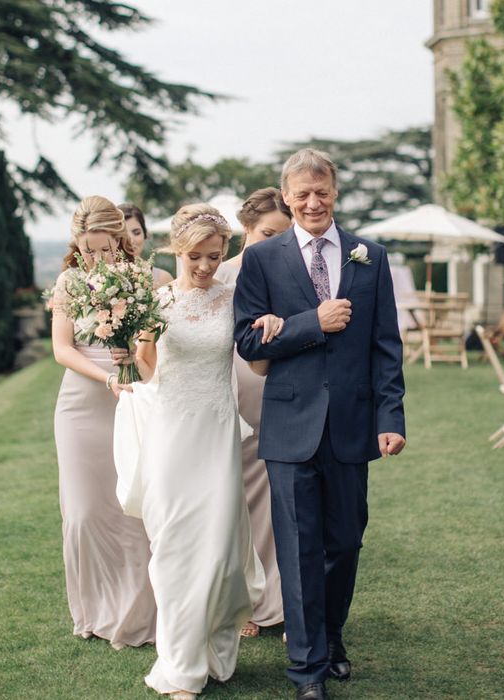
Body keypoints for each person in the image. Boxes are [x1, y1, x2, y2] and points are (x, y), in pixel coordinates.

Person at [233, 149, 407, 700]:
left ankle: (332, 640)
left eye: (322, 192)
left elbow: (386, 347)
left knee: (345, 542)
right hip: (288, 426)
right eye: (301, 194)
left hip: (354, 426)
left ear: (335, 192)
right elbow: (248, 341)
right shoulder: (262, 261)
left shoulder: (369, 258)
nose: (312, 202)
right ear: (285, 196)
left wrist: (391, 416)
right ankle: (307, 671)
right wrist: (314, 322)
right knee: (300, 549)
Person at [116, 203, 273, 699]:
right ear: (178, 252)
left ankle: (215, 645)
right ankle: (181, 666)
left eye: (214, 255)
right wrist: (124, 349)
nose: (205, 266)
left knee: (221, 550)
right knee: (176, 548)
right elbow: (147, 370)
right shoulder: (156, 303)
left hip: (217, 432)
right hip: (171, 434)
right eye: (195, 258)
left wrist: (271, 322)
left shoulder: (235, 297)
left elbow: (254, 345)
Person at [51, 195, 156, 650]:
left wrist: (132, 357)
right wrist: (106, 375)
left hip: (131, 399)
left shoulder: (142, 280)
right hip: (81, 405)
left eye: (105, 247)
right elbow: (63, 349)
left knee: (131, 510)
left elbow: (151, 343)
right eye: (88, 248)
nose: (97, 257)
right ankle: (93, 611)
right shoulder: (68, 281)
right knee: (83, 514)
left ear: (120, 238)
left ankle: (138, 614)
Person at [214, 187, 292, 638]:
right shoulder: (220, 275)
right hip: (227, 396)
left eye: (283, 235)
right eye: (266, 233)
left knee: (273, 504)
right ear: (246, 228)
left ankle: (275, 604)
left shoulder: (287, 276)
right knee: (234, 503)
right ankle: (241, 601)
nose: (273, 242)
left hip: (273, 395)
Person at [118, 202, 174, 287]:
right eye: (124, 234)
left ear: (145, 234)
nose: (130, 240)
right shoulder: (103, 280)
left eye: (136, 233)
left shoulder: (164, 278)